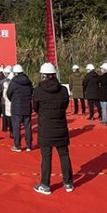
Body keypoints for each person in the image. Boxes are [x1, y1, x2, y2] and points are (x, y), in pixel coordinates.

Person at [33, 63, 74, 195]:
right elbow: (65, 105)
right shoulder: (63, 90)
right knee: (64, 155)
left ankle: (45, 185)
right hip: (61, 127)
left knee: (46, 158)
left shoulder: (38, 91)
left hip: (45, 128)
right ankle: (68, 183)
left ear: (43, 75)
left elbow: (35, 107)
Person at [7, 64, 33, 152]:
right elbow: (31, 92)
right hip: (27, 107)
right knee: (28, 127)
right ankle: (29, 145)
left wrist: (14, 101)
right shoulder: (28, 81)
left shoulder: (13, 82)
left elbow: (8, 93)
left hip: (16, 108)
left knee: (16, 127)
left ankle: (17, 146)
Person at [0, 66, 13, 136]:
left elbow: (0, 92)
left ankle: (6, 128)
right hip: (11, 102)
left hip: (5, 101)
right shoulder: (3, 82)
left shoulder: (3, 82)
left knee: (6, 115)